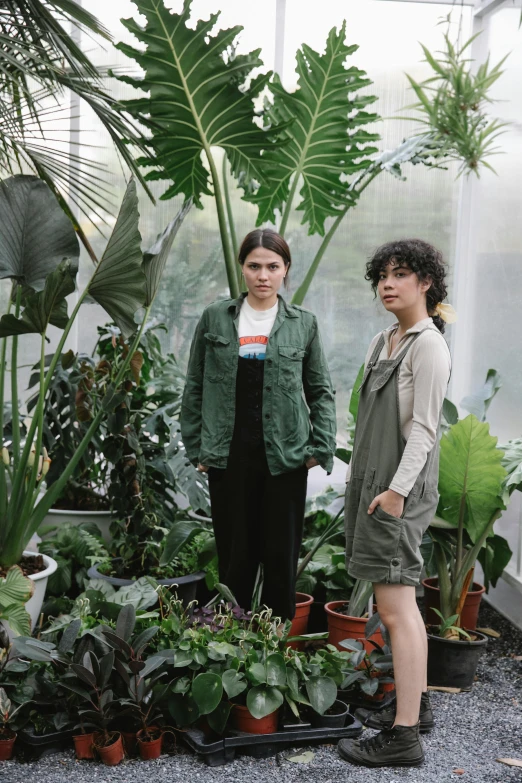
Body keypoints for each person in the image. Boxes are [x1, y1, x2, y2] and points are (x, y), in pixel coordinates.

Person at [338, 239, 454, 768]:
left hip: (398, 491)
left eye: (401, 273)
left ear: (425, 283)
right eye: (381, 275)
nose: (388, 283)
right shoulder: (385, 338)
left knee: (396, 607)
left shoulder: (427, 345)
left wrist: (396, 493)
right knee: (397, 605)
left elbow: (426, 431)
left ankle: (405, 737)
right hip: (377, 485)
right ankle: (416, 707)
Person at [180, 228, 336, 620]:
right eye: (254, 266)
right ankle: (235, 641)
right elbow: (195, 385)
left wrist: (320, 447)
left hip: (285, 454)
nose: (263, 275)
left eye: (272, 266)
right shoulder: (216, 318)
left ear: (285, 270)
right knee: (236, 553)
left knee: (280, 556)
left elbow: (320, 390)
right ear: (242, 268)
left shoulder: (304, 324)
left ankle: (275, 647)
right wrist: (197, 447)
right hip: (228, 452)